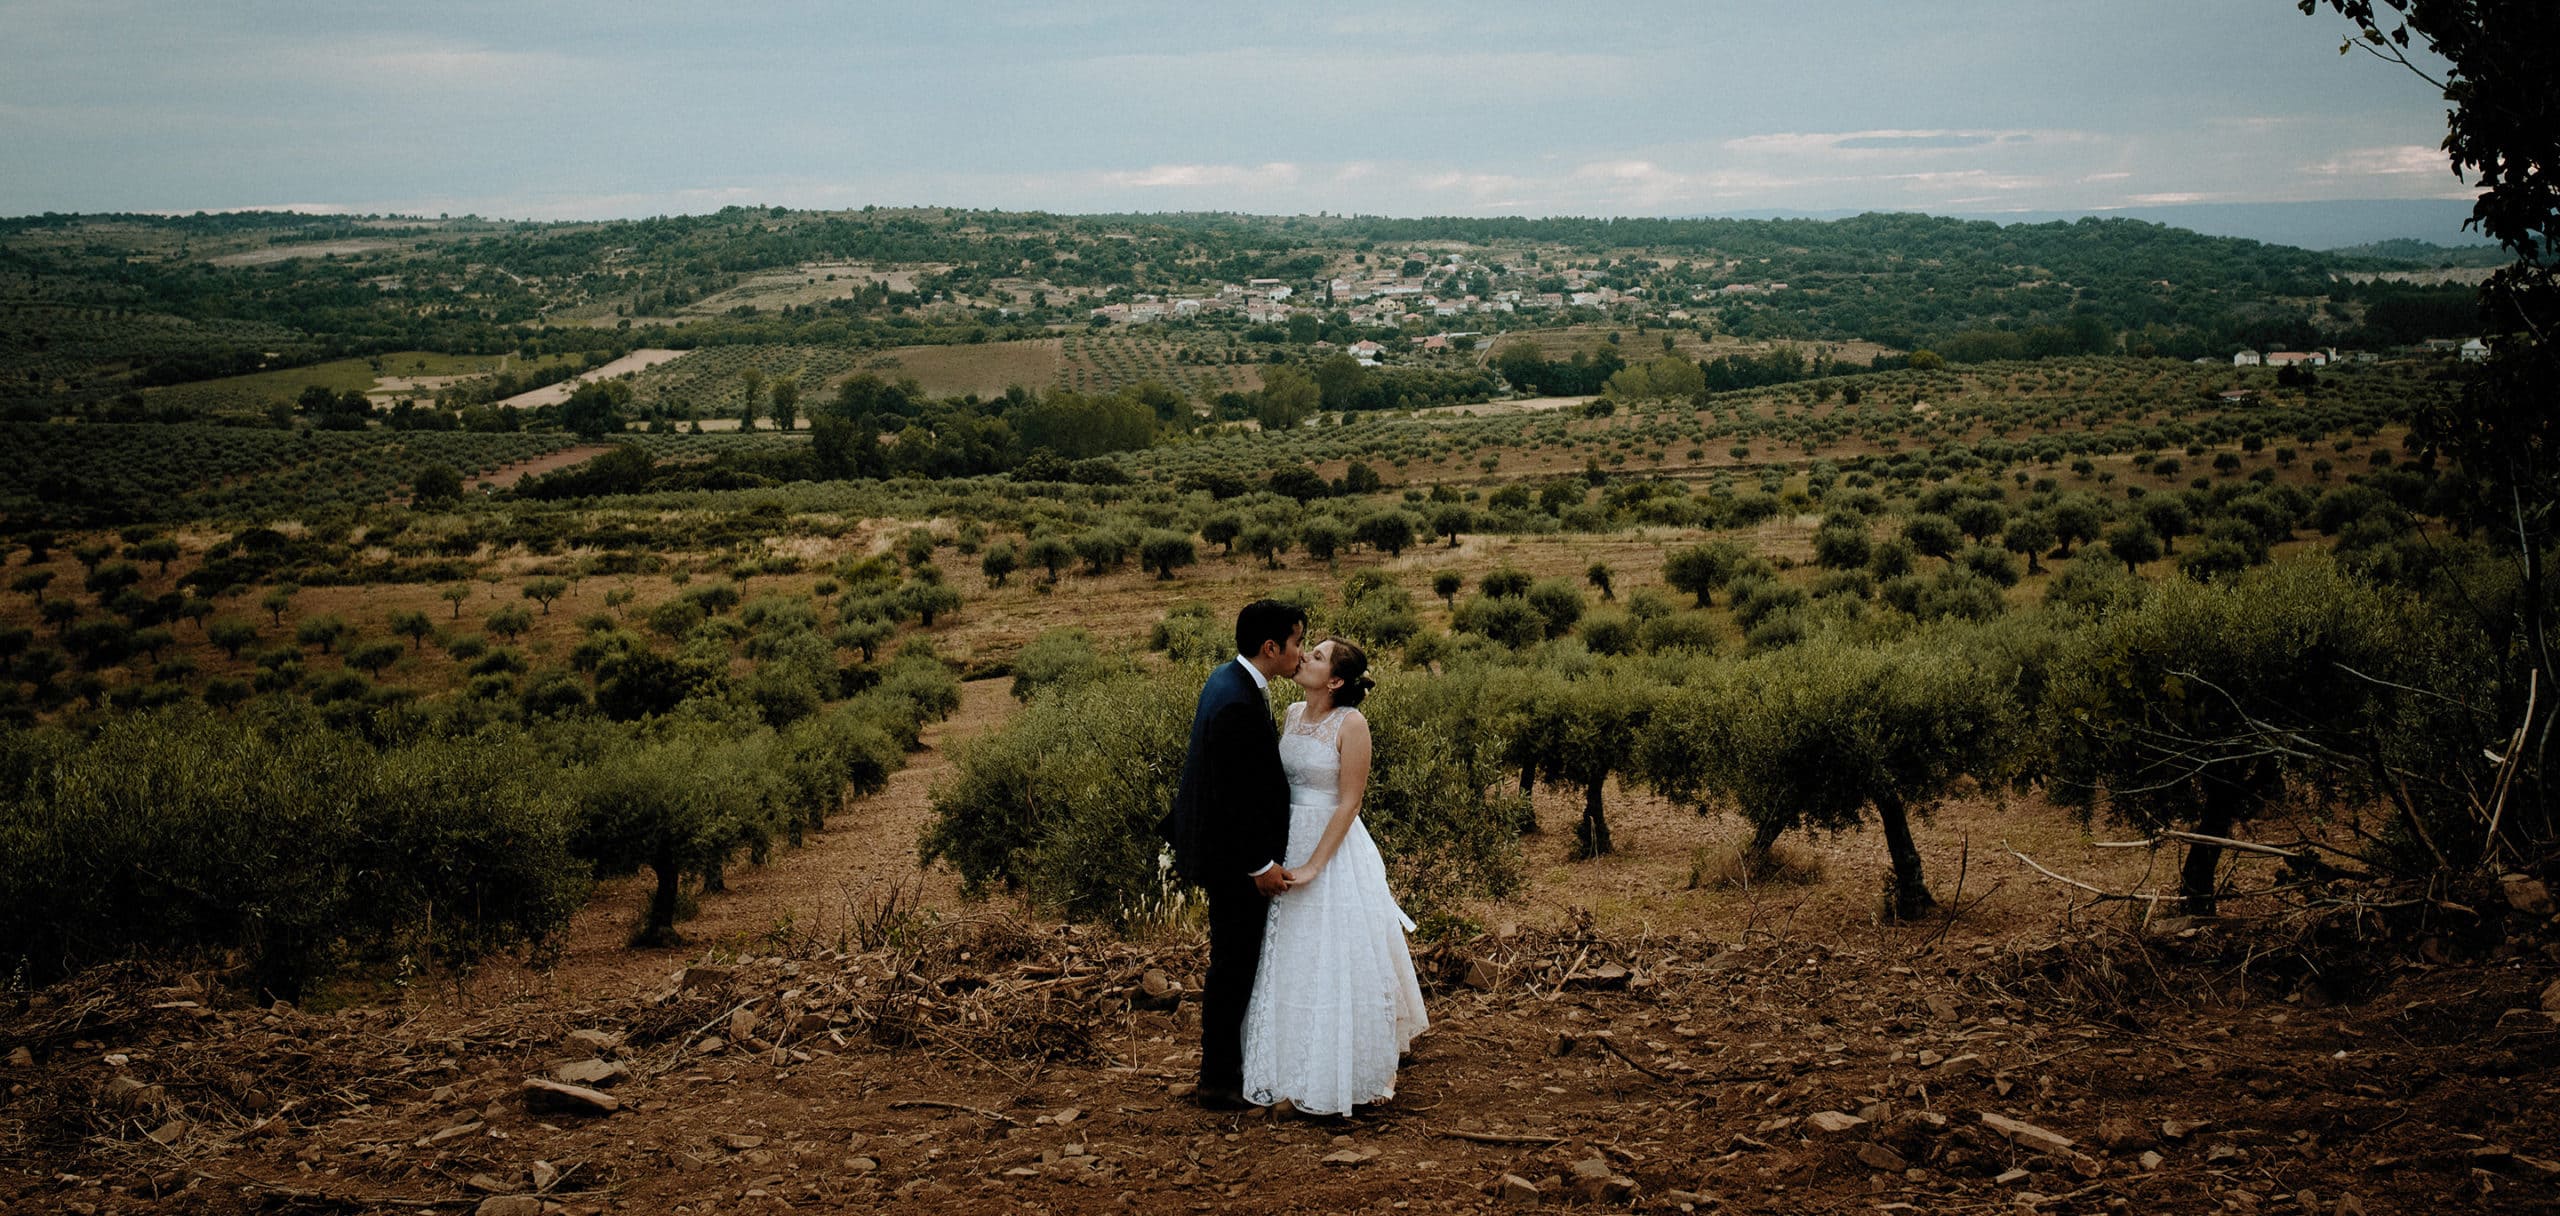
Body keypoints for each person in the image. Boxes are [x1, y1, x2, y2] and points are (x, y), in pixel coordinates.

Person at [1241, 637, 1428, 1115]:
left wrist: (1316, 865)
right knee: (1291, 954)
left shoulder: (1352, 723)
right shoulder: (1288, 713)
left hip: (1333, 848)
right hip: (1289, 838)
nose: (1304, 657)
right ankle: (1285, 1068)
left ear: (1337, 680)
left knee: (1333, 953)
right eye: (1311, 650)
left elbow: (1350, 802)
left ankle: (1330, 1076)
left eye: (1318, 657)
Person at [1159, 599, 1305, 1110]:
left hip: (1223, 853)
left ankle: (1225, 1069)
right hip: (1233, 861)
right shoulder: (1238, 702)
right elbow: (1233, 796)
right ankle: (1219, 1081)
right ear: (1271, 648)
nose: (1301, 653)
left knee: (1233, 962)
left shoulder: (1229, 679)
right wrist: (1259, 865)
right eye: (1297, 641)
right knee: (1233, 965)